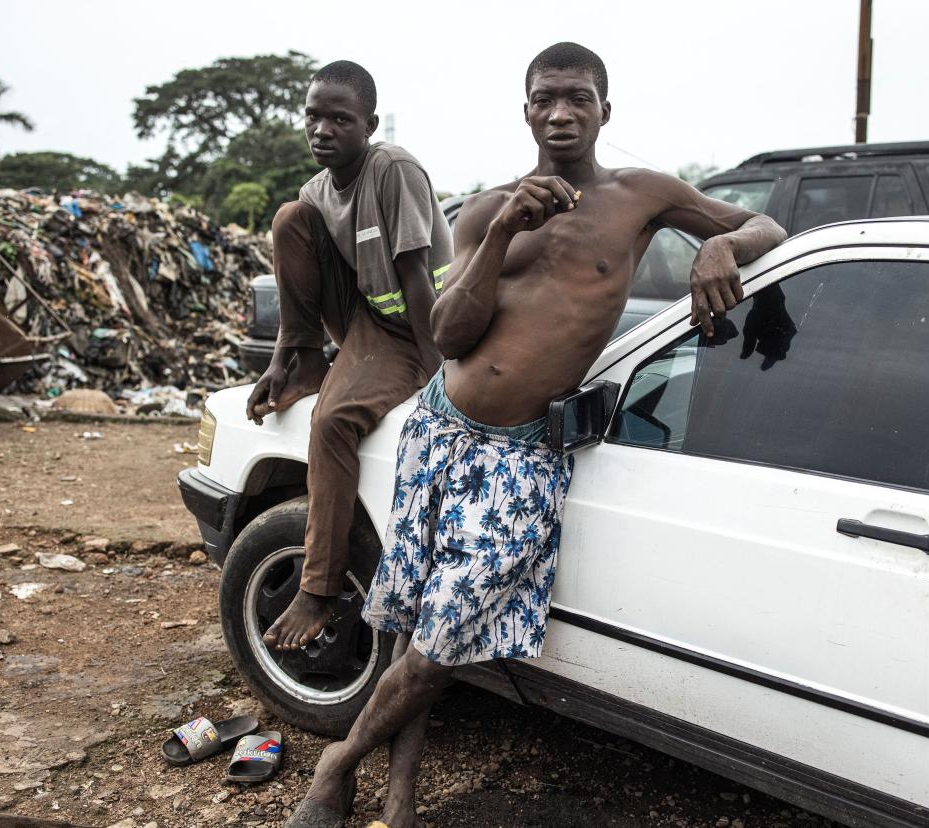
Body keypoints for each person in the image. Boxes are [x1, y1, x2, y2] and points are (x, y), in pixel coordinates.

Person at [283, 42, 787, 828]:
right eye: (545, 98)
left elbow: (765, 222)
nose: (560, 112)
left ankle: (335, 764)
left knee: (444, 637)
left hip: (522, 453)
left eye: (577, 98)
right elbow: (447, 336)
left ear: (603, 110)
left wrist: (720, 246)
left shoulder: (640, 196)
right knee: (415, 617)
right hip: (440, 433)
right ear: (525, 111)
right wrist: (495, 237)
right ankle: (402, 799)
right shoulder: (488, 209)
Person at [247, 60, 452, 653]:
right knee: (290, 219)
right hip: (364, 324)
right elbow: (315, 279)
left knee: (333, 422)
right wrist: (286, 356)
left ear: (368, 125)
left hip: (421, 327)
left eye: (340, 119)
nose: (323, 129)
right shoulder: (317, 192)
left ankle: (318, 588)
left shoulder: (394, 169)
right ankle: (308, 363)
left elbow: (417, 278)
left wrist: (442, 378)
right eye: (314, 116)